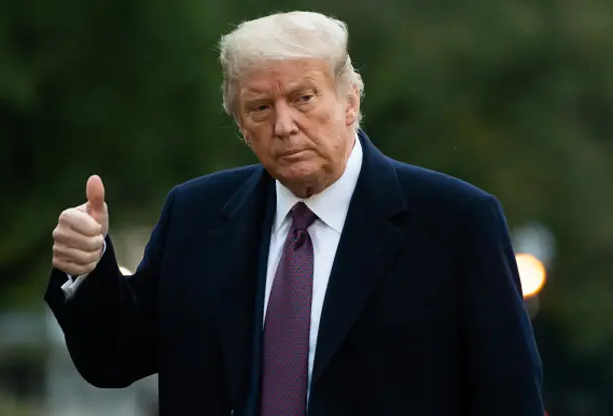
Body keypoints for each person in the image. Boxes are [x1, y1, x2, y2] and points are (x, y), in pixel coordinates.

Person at [45, 10, 545, 416]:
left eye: (303, 99)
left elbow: (509, 396)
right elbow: (116, 360)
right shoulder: (195, 216)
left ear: (350, 100)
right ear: (240, 124)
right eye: (260, 108)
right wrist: (87, 270)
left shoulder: (456, 222)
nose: (284, 125)